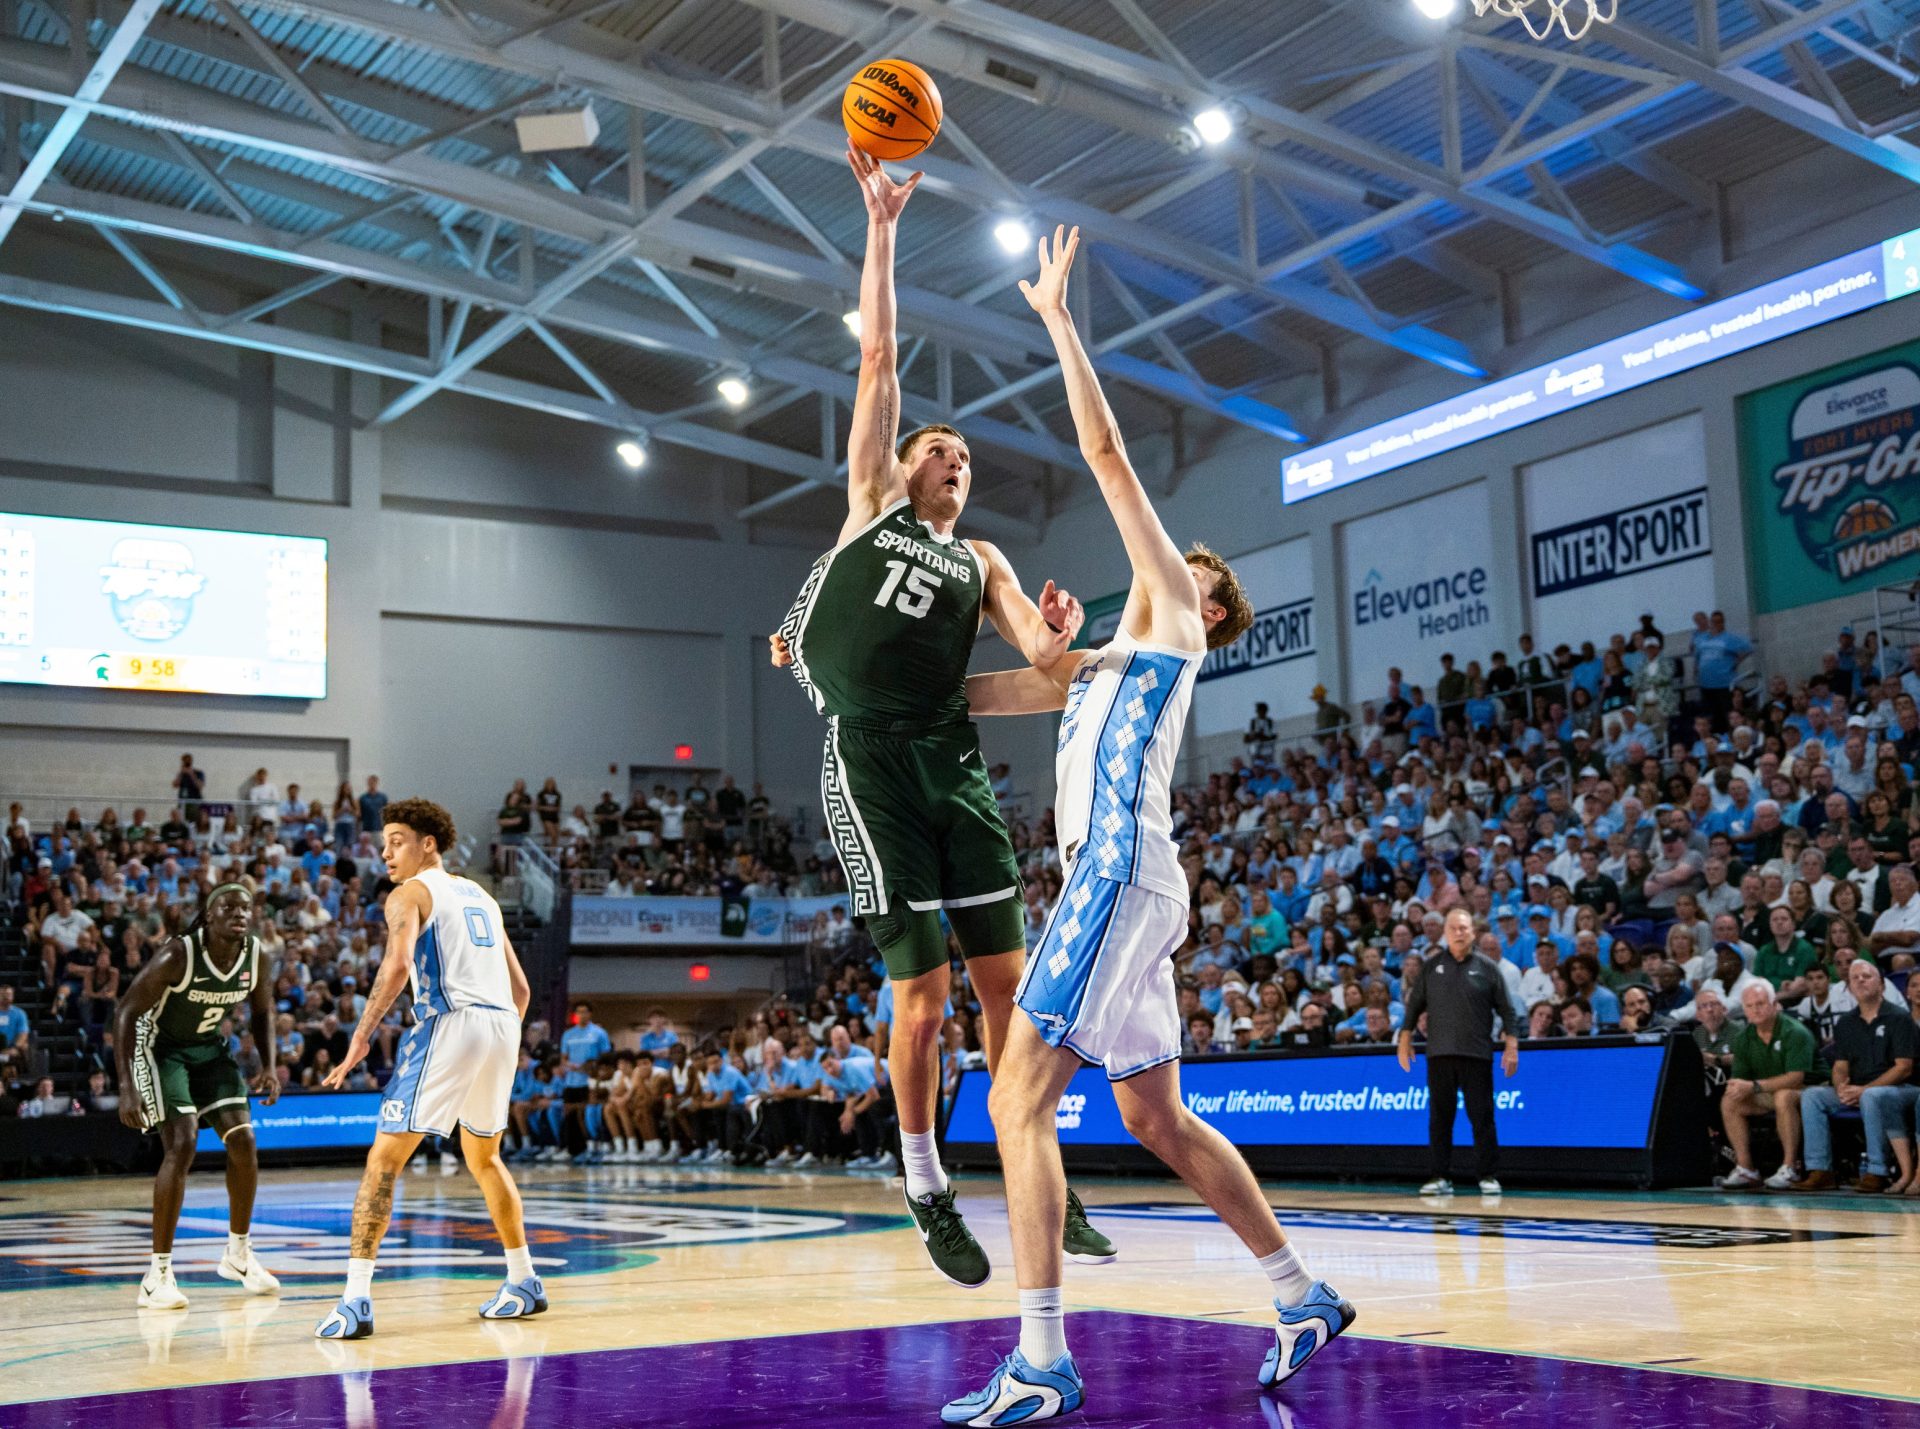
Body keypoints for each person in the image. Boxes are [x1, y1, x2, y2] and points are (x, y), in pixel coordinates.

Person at [940, 225, 1344, 1427]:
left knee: (1017, 1099)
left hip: (1115, 878)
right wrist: (853, 677)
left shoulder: (1171, 614)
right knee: (1152, 1113)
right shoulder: (1102, 660)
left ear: (1208, 605)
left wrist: (1060, 320)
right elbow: (989, 694)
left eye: (1194, 568)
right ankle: (1300, 1290)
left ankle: (1043, 1359)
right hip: (1128, 883)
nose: (1172, 567)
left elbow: (1106, 451)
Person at [768, 146, 1095, 1292]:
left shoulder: (985, 557)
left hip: (952, 764)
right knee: (927, 995)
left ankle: (1032, 1149)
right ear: (903, 468)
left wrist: (1061, 626)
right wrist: (884, 225)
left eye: (964, 454)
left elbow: (1041, 665)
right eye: (936, 449)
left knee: (1012, 990)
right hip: (870, 766)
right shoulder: (867, 508)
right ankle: (922, 1177)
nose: (952, 457)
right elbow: (876, 356)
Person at [314, 798, 540, 1338]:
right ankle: (524, 1280)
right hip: (502, 1024)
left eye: (396, 840)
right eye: (384, 841)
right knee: (484, 1156)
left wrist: (362, 1037)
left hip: (453, 1021)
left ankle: (355, 1302)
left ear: (428, 844)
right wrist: (495, 1042)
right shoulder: (483, 895)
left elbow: (395, 968)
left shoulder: (409, 894)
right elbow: (522, 990)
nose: (385, 851)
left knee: (384, 1159)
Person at [113, 883, 280, 1311]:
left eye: (245, 907)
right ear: (209, 916)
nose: (239, 913)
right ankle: (157, 1275)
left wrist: (269, 1066)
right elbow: (126, 1012)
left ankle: (238, 1255)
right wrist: (127, 1085)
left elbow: (262, 1012)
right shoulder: (178, 955)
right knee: (183, 1143)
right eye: (228, 906)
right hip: (160, 1049)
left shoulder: (255, 956)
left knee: (243, 1141)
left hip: (208, 1050)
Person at [1399, 908, 1521, 1199]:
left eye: (1463, 928)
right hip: (1439, 1054)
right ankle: (1440, 1176)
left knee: (1482, 1117)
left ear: (1473, 932)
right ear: (1445, 932)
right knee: (1440, 1118)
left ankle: (1488, 1176)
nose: (1458, 932)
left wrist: (1512, 1046)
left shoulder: (1488, 968)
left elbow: (1507, 1010)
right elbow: (1415, 1005)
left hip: (1477, 1054)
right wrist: (1404, 1040)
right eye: (1453, 928)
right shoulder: (1431, 967)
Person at [1783, 960, 1918, 1194]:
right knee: (1813, 1095)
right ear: (1849, 988)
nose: (1860, 981)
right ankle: (1819, 1170)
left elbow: (1903, 1068)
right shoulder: (1846, 1022)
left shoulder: (1899, 1018)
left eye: (1866, 976)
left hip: (1901, 1089)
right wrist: (1841, 1088)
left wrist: (1864, 1090)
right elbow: (1840, 1066)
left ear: (1882, 985)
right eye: (1855, 978)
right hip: (1857, 1090)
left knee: (1873, 1096)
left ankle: (1877, 1171)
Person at [1713, 982, 1815, 1191]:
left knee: (1784, 1096)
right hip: (1769, 1090)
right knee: (1731, 1100)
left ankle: (1789, 1168)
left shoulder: (1794, 1032)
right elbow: (1741, 1080)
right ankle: (1746, 1168)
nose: (1755, 1010)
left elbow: (1796, 1078)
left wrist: (1754, 1086)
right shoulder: (1743, 1038)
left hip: (1811, 1090)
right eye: (1749, 1006)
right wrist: (1737, 1087)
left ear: (1774, 1004)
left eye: (1760, 1003)